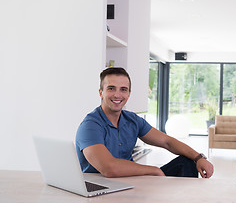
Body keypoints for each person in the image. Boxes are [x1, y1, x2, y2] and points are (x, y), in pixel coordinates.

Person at [76, 67, 214, 178]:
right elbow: (108, 168)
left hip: (132, 182)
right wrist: (153, 170)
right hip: (101, 187)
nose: (117, 95)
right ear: (101, 92)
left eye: (123, 89)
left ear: (129, 93)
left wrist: (198, 157)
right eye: (111, 88)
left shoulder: (132, 120)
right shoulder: (90, 125)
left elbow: (167, 141)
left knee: (187, 162)